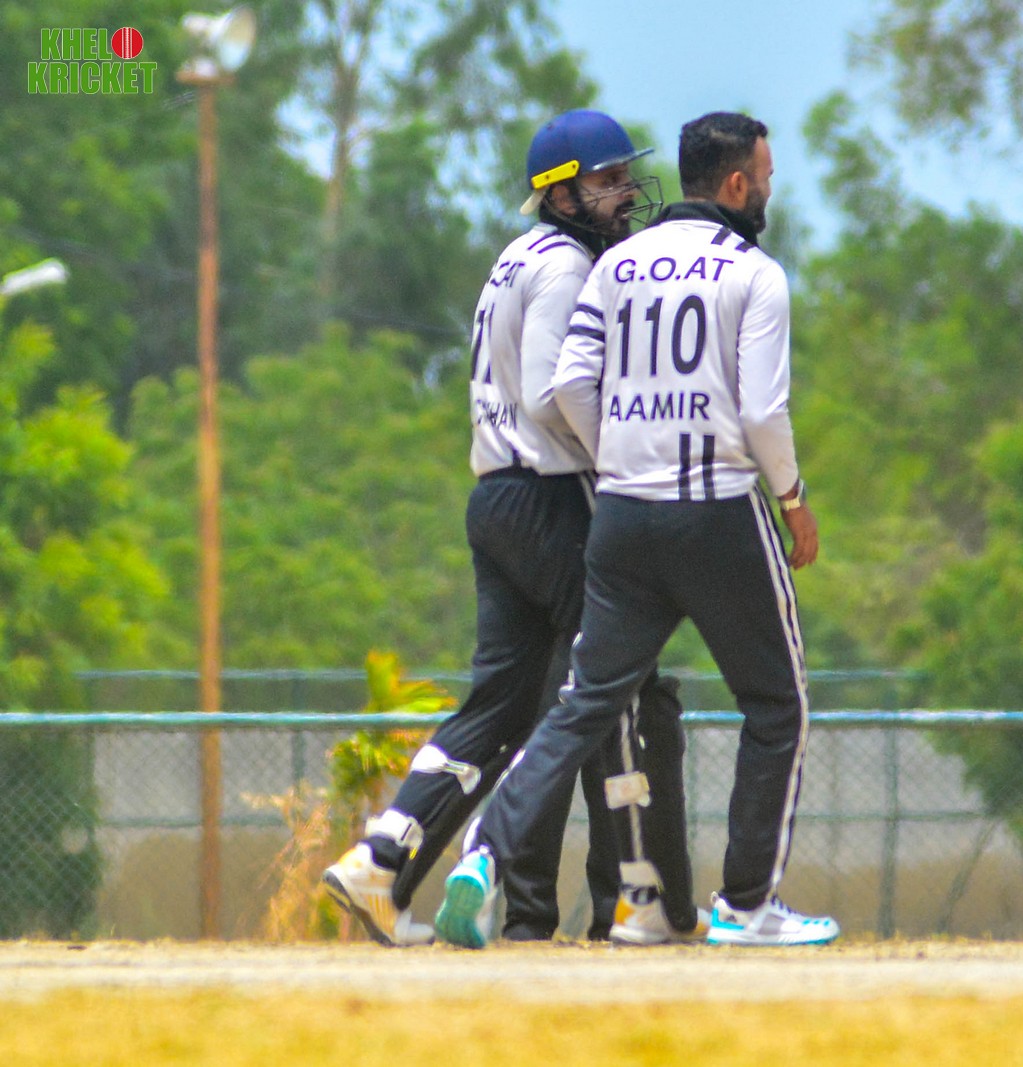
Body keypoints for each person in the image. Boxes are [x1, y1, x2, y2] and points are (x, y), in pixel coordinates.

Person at [435, 111, 838, 948]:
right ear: (736, 183)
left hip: (621, 515)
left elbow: (569, 383)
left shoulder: (617, 263)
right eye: (765, 177)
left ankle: (484, 851)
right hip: (718, 508)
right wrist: (793, 498)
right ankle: (746, 905)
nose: (767, 191)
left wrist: (618, 457)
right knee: (777, 704)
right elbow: (764, 412)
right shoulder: (756, 273)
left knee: (583, 703)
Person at [323, 109, 699, 947]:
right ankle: (635, 897)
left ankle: (380, 861)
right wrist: (620, 461)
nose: (624, 193)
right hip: (551, 496)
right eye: (605, 181)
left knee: (497, 704)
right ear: (558, 194)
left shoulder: (515, 257)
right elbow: (550, 389)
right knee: (615, 679)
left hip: (495, 498)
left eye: (624, 177)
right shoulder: (565, 263)